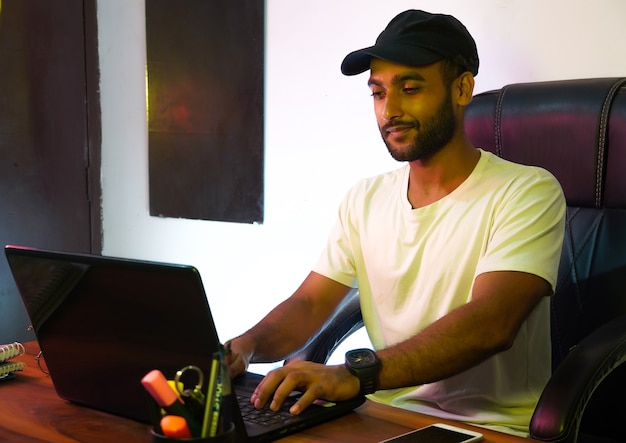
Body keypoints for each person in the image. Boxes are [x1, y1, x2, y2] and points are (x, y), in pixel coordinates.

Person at [227, 9, 565, 437]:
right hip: (382, 418)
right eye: (378, 92)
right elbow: (310, 304)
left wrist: (357, 373)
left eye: (410, 88)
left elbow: (490, 323)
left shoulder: (526, 192)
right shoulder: (365, 199)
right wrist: (246, 345)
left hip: (487, 429)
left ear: (462, 89)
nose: (391, 110)